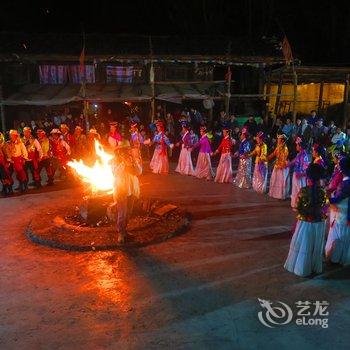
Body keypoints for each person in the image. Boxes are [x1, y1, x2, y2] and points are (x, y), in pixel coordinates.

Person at [284, 163, 328, 277]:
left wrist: (306, 214)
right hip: (319, 222)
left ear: (308, 177)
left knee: (304, 244)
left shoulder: (303, 191)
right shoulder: (323, 191)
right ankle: (314, 267)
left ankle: (302, 268)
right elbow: (325, 207)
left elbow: (297, 207)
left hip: (305, 222)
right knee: (315, 245)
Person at [111, 140, 142, 244]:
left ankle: (125, 231)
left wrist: (134, 161)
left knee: (128, 212)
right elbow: (116, 173)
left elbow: (139, 171)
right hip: (121, 188)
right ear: (119, 151)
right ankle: (120, 233)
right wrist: (123, 162)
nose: (126, 151)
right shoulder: (115, 161)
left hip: (132, 188)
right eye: (124, 150)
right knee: (122, 213)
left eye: (127, 149)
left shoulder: (133, 159)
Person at [325, 156, 350, 265]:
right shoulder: (345, 181)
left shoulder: (346, 183)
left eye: (339, 165)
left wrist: (324, 198)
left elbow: (336, 199)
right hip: (343, 213)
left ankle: (335, 258)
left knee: (338, 236)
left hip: (341, 214)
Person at [289, 137, 311, 209]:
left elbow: (305, 167)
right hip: (296, 175)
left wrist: (301, 174)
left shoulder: (304, 155)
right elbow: (294, 161)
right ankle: (296, 204)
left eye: (297, 145)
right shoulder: (299, 154)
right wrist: (287, 164)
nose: (296, 147)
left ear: (300, 146)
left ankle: (300, 205)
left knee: (300, 190)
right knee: (295, 190)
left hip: (300, 176)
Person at [267, 134, 290, 199]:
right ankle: (275, 193)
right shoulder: (278, 146)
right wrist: (267, 158)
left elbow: (284, 159)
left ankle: (280, 195)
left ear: (282, 140)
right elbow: (274, 153)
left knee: (280, 181)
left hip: (281, 167)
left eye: (279, 139)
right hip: (277, 165)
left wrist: (280, 166)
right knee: (274, 179)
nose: (277, 140)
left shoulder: (285, 148)